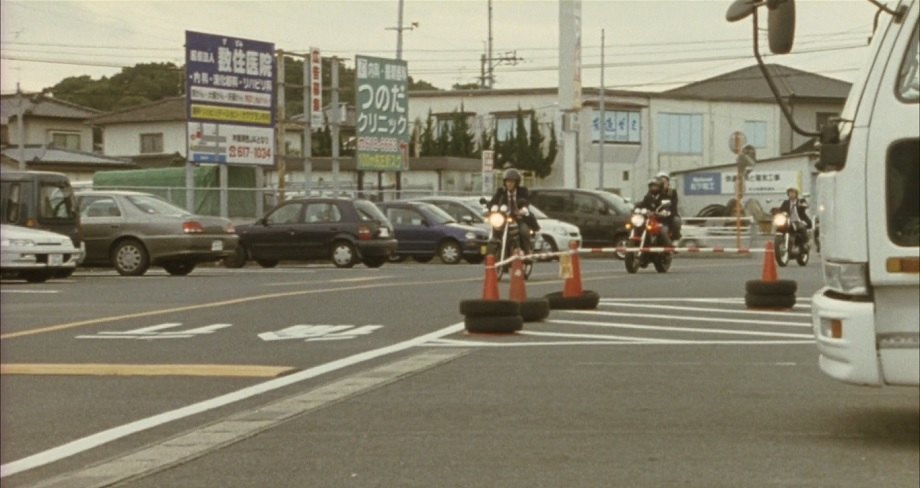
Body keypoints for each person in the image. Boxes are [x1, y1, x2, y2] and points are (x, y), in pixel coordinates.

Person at [488, 168, 538, 254]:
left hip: (519, 218)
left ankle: (527, 251)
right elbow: (493, 202)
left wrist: (523, 209)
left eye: (512, 182)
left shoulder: (522, 191)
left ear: (516, 183)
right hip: (504, 218)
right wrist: (492, 207)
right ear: (504, 182)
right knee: (495, 227)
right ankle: (495, 247)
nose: (509, 184)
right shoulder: (501, 191)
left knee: (523, 231)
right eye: (507, 181)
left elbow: (525, 201)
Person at [635, 177, 674, 246]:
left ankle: (670, 248)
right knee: (637, 226)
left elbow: (668, 207)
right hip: (649, 220)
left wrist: (664, 212)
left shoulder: (664, 196)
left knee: (663, 231)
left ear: (660, 187)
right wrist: (636, 208)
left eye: (655, 186)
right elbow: (642, 204)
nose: (653, 188)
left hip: (661, 221)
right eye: (652, 186)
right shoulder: (648, 197)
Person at [656, 171, 682, 240]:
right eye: (660, 181)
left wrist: (669, 213)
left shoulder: (672, 192)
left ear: (668, 182)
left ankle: (676, 237)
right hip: (658, 217)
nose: (663, 183)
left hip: (670, 216)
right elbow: (648, 201)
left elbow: (674, 205)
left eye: (665, 181)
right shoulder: (655, 192)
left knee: (677, 220)